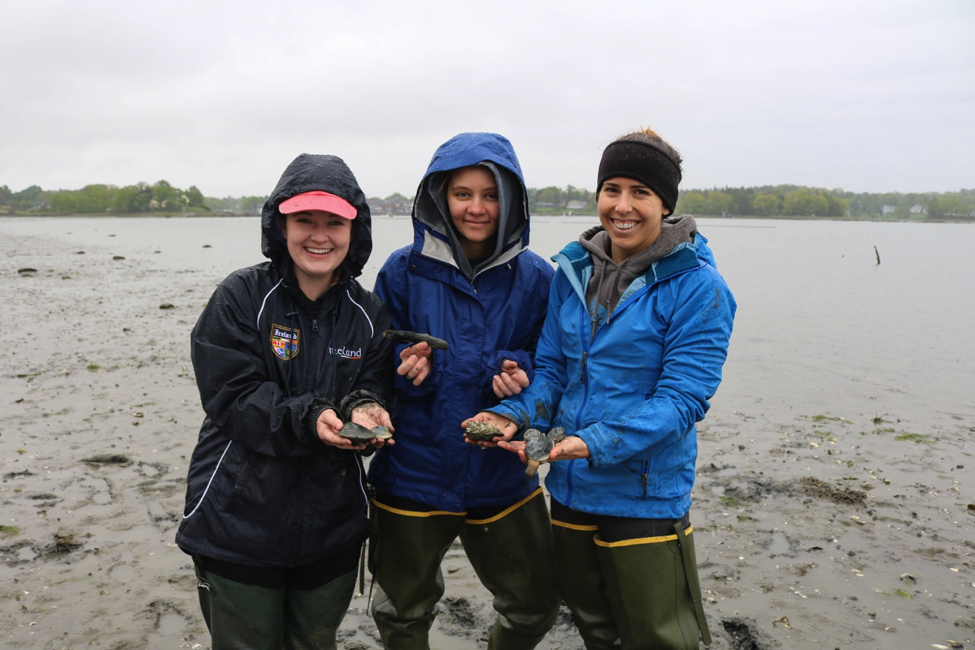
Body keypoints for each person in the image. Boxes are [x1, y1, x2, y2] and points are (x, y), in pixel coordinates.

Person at [473, 127, 736, 649]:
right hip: (571, 490)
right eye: (612, 189)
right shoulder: (572, 272)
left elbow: (682, 400)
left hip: (644, 496)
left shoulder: (699, 286)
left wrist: (592, 443)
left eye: (641, 192)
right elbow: (552, 372)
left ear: (665, 203)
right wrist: (514, 415)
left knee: (658, 637)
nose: (623, 206)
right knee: (595, 628)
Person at [175, 153, 395, 649]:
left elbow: (375, 383)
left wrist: (367, 409)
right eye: (304, 221)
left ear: (354, 230)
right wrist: (312, 416)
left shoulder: (370, 313)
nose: (319, 236)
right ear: (281, 225)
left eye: (334, 222)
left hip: (331, 531)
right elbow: (233, 395)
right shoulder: (241, 297)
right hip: (236, 525)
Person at [367, 132, 559, 649]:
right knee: (402, 612)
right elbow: (370, 369)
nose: (477, 208)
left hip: (503, 477)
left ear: (513, 200)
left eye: (491, 194)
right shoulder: (400, 272)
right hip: (411, 473)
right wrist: (403, 368)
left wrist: (524, 386)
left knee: (536, 604)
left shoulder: (540, 279)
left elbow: (557, 373)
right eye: (463, 194)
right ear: (439, 197)